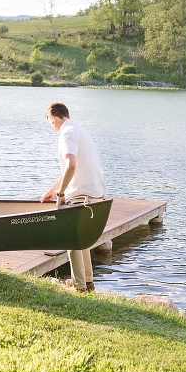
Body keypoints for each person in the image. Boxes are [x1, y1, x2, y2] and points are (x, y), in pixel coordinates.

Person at [40, 102, 107, 292]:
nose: (52, 128)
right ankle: (87, 281)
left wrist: (61, 194)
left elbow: (71, 165)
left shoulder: (66, 133)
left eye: (50, 123)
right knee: (81, 238)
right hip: (95, 192)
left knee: (71, 238)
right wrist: (53, 189)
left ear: (53, 117)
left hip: (81, 193)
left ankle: (79, 286)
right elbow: (73, 167)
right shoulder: (80, 130)